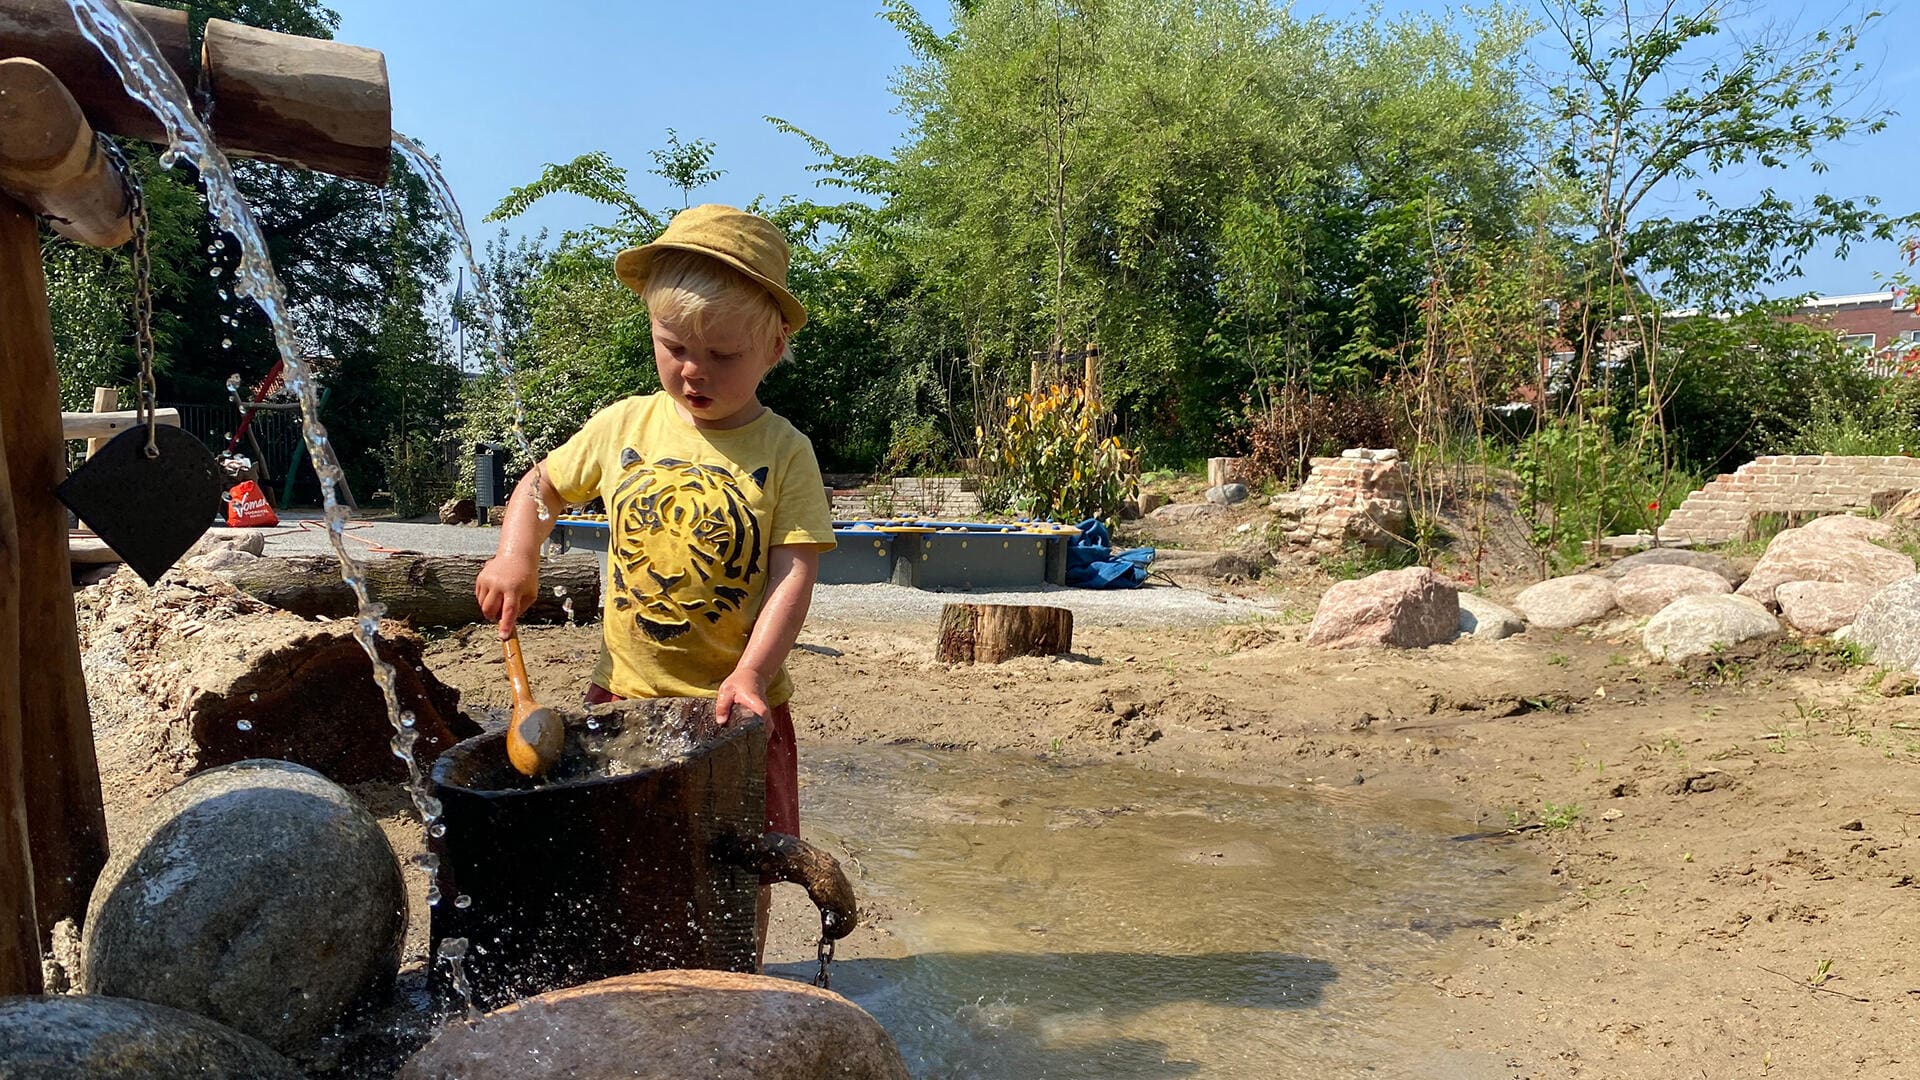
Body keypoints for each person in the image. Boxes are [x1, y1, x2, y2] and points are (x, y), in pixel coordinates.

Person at [474, 204, 836, 957]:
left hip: (736, 710)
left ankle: (740, 972)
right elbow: (539, 489)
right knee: (623, 857)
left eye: (723, 355)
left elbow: (793, 572)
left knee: (743, 868)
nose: (694, 370)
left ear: (774, 346)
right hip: (623, 699)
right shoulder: (625, 426)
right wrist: (518, 552)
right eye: (674, 346)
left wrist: (752, 670)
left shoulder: (785, 451)